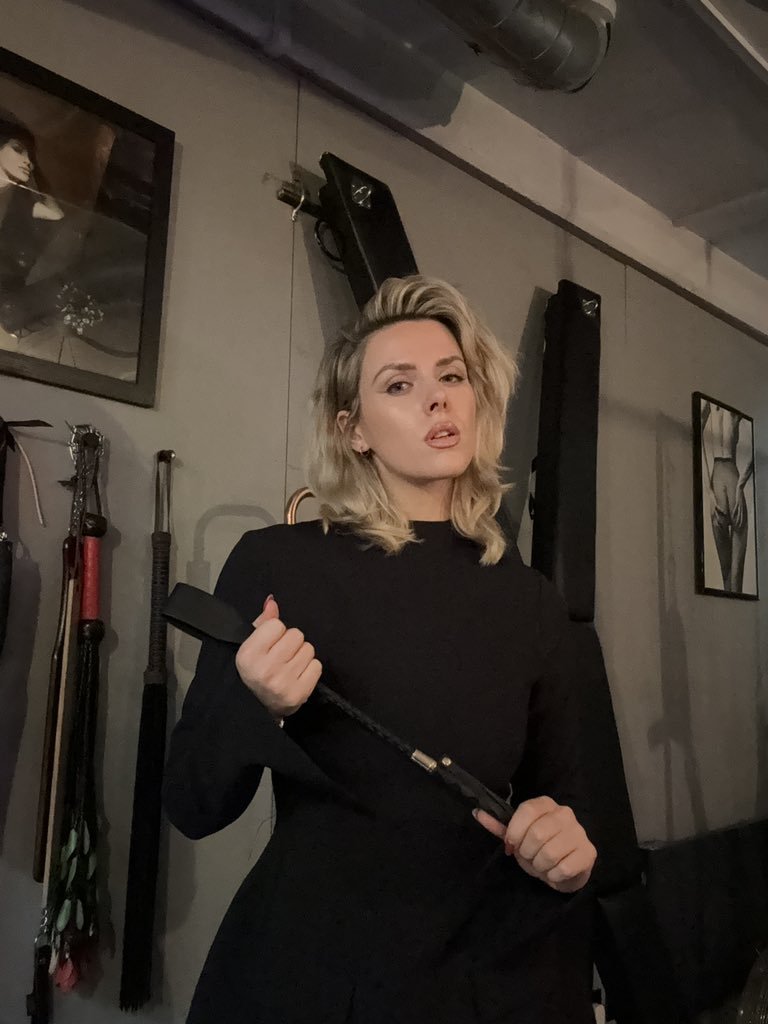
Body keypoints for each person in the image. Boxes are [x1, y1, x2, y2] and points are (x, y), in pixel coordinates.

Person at [163, 275, 598, 1024]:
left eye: (451, 377)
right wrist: (257, 704)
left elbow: (565, 804)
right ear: (354, 429)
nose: (437, 400)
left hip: (479, 975)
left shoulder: (530, 601)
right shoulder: (276, 564)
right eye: (400, 384)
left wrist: (567, 850)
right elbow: (192, 805)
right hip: (311, 970)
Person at [0, 113, 65, 336]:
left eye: (30, 155)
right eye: (18, 150)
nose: (28, 161)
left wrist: (35, 181)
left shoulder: (19, 200)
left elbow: (55, 214)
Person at [700, 399, 754, 592]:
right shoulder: (724, 408)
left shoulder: (710, 406)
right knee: (733, 575)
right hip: (729, 480)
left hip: (720, 483)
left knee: (729, 575)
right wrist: (738, 486)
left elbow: (695, 436)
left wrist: (710, 491)